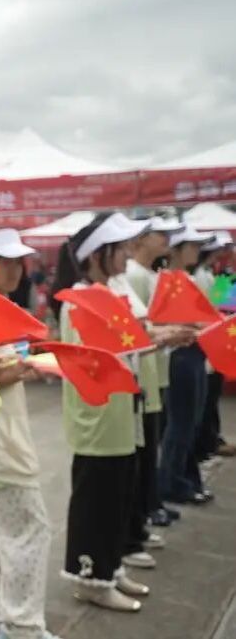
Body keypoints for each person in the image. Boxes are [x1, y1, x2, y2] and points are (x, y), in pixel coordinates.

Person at [50, 212, 152, 611]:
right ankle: (91, 577)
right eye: (120, 249)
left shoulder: (105, 293)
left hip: (119, 411)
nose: (127, 255)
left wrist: (154, 339)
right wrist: (153, 341)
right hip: (99, 417)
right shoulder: (80, 298)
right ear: (97, 256)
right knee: (97, 499)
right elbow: (97, 357)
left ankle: (110, 567)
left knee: (117, 494)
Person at [0, 229, 63, 639]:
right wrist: (22, 368)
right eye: (2, 261)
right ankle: (22, 624)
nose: (13, 269)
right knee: (29, 529)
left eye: (16, 261)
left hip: (0, 435)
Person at [124, 217, 186, 528]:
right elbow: (139, 329)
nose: (166, 240)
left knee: (157, 440)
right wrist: (167, 334)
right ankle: (150, 504)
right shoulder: (133, 276)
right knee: (151, 443)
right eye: (160, 234)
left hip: (157, 365)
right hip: (147, 368)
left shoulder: (154, 275)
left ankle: (153, 502)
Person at [158, 225, 215, 506]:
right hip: (180, 353)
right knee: (181, 423)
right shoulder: (169, 280)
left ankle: (187, 479)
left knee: (192, 422)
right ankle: (172, 481)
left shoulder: (190, 278)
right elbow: (163, 320)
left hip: (197, 351)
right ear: (176, 250)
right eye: (191, 246)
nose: (198, 251)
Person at [194, 233, 236, 460]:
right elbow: (219, 306)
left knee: (211, 396)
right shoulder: (205, 276)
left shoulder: (214, 274)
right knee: (208, 397)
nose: (225, 253)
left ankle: (212, 438)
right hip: (210, 342)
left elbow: (225, 304)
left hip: (217, 339)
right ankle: (208, 441)